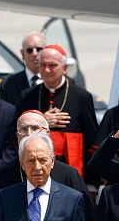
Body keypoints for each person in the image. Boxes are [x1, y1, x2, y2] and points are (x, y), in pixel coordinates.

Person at [18, 45, 98, 177]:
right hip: (35, 169)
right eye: (43, 65)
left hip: (70, 170)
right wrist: (41, 121)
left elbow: (92, 141)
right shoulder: (28, 96)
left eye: (52, 65)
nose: (46, 70)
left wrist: (91, 182)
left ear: (65, 68)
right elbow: (14, 134)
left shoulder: (81, 97)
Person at [0, 32, 45, 108]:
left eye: (39, 49)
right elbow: (6, 116)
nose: (34, 54)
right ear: (23, 54)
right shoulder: (8, 84)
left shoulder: (57, 81)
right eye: (29, 50)